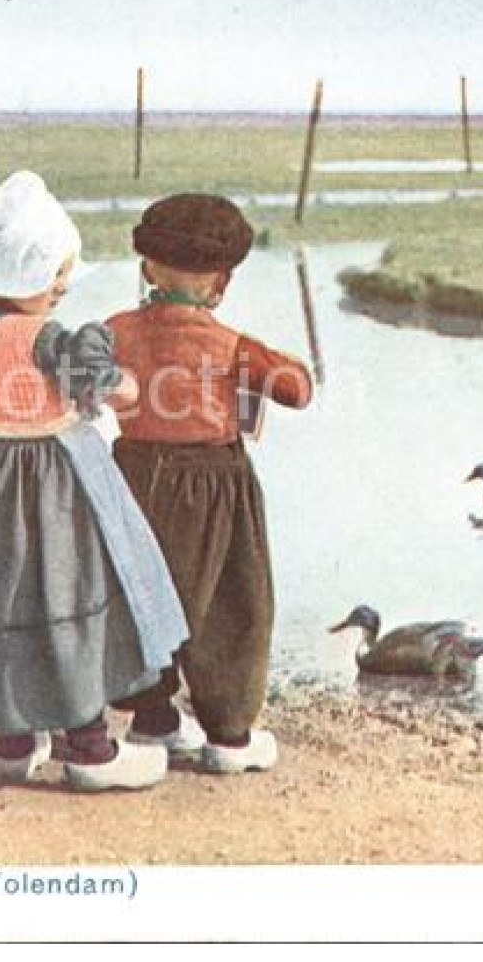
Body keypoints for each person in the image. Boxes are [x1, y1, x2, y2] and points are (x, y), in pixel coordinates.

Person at [0, 172, 190, 790]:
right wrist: (112, 379)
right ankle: (89, 748)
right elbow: (118, 391)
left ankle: (14, 740)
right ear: (45, 276)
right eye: (59, 278)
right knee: (65, 599)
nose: (61, 289)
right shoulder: (52, 339)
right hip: (53, 480)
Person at [104, 193, 314, 774]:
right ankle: (229, 736)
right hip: (215, 485)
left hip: (132, 476)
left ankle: (153, 716)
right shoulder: (230, 346)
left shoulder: (116, 330)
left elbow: (77, 379)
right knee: (229, 602)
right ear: (220, 283)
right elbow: (297, 389)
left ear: (148, 267)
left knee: (142, 594)